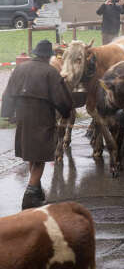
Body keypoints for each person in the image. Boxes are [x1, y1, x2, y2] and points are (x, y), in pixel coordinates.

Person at [0, 40, 73, 210]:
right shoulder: (50, 72)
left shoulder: (20, 68)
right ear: (48, 56)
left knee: (32, 154)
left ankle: (37, 189)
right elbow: (61, 99)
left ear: (35, 53)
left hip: (23, 116)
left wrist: (7, 114)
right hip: (42, 117)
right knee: (39, 157)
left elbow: (9, 92)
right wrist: (66, 112)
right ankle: (30, 196)